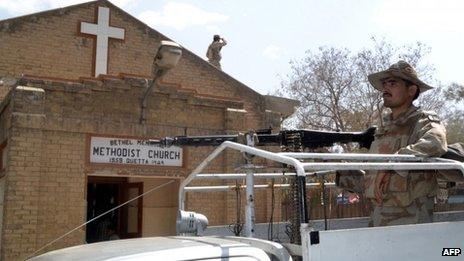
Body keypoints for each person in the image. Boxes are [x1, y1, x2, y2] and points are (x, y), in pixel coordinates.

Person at [336, 60, 448, 227]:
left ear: (411, 90)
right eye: (384, 84)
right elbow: (374, 174)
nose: (385, 88)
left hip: (411, 219)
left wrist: (391, 164)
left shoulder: (422, 119)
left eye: (393, 83)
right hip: (378, 216)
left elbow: (436, 142)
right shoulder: (383, 127)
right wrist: (341, 172)